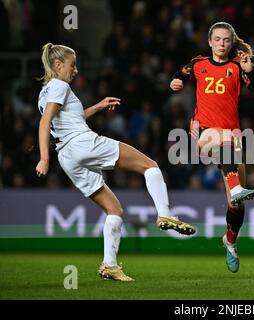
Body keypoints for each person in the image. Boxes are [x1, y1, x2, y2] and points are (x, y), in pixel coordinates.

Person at [35, 43, 196, 282]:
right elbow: (45, 122)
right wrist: (43, 158)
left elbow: (66, 119)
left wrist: (97, 107)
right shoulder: (60, 84)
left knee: (114, 210)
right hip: (82, 143)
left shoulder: (45, 91)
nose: (76, 70)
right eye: (72, 65)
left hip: (68, 156)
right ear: (58, 66)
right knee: (150, 165)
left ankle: (109, 265)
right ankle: (165, 214)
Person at [169, 22, 254, 273]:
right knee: (222, 141)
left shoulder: (237, 66)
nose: (222, 44)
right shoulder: (198, 63)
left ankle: (230, 242)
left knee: (236, 205)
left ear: (231, 43)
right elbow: (181, 74)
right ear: (210, 42)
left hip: (231, 137)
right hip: (202, 130)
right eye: (217, 39)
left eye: (226, 40)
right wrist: (175, 82)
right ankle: (236, 188)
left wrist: (250, 71)